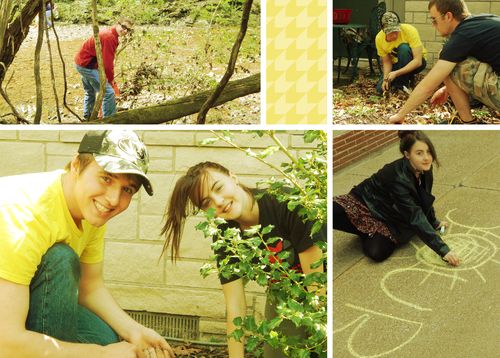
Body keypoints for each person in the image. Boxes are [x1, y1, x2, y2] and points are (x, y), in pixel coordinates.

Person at [0, 130, 174, 358]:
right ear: (75, 165)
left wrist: (135, 331)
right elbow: (6, 343)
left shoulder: (90, 211)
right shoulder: (25, 215)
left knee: (102, 337)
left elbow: (90, 288)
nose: (113, 199)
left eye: (127, 189)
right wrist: (102, 355)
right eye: (106, 178)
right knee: (60, 259)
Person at [161, 162, 326, 358]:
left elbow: (317, 287)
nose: (219, 202)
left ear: (233, 177)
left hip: (322, 282)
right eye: (206, 203)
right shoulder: (225, 234)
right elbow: (235, 305)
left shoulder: (286, 203)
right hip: (284, 290)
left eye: (219, 188)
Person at [333, 131, 460, 266]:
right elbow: (414, 215)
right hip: (362, 202)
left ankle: (367, 229)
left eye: (428, 152)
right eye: (419, 153)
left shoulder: (425, 169)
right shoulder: (397, 176)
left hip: (388, 216)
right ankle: (362, 225)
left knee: (376, 253)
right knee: (327, 211)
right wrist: (443, 250)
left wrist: (434, 222)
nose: (426, 158)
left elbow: (424, 199)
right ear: (407, 155)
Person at [389, 0, 500, 123]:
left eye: (434, 19)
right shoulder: (482, 22)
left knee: (448, 61)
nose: (433, 25)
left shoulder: (463, 35)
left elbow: (428, 85)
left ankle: (467, 121)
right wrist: (447, 89)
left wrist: (400, 115)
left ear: (448, 16)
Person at [74, 19, 131, 120]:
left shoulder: (111, 33)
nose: (125, 31)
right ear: (117, 24)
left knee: (90, 91)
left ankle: (88, 118)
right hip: (86, 65)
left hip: (82, 62)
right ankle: (109, 120)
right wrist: (110, 80)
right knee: (108, 92)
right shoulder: (109, 37)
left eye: (128, 30)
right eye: (124, 27)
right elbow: (107, 64)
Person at [375, 11, 427, 94]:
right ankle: (407, 78)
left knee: (403, 48)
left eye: (396, 31)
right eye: (391, 32)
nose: (394, 35)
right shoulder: (379, 38)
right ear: (383, 30)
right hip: (396, 65)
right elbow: (387, 62)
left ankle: (402, 86)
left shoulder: (410, 30)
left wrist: (396, 73)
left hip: (416, 63)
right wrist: (385, 79)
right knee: (380, 89)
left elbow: (418, 61)